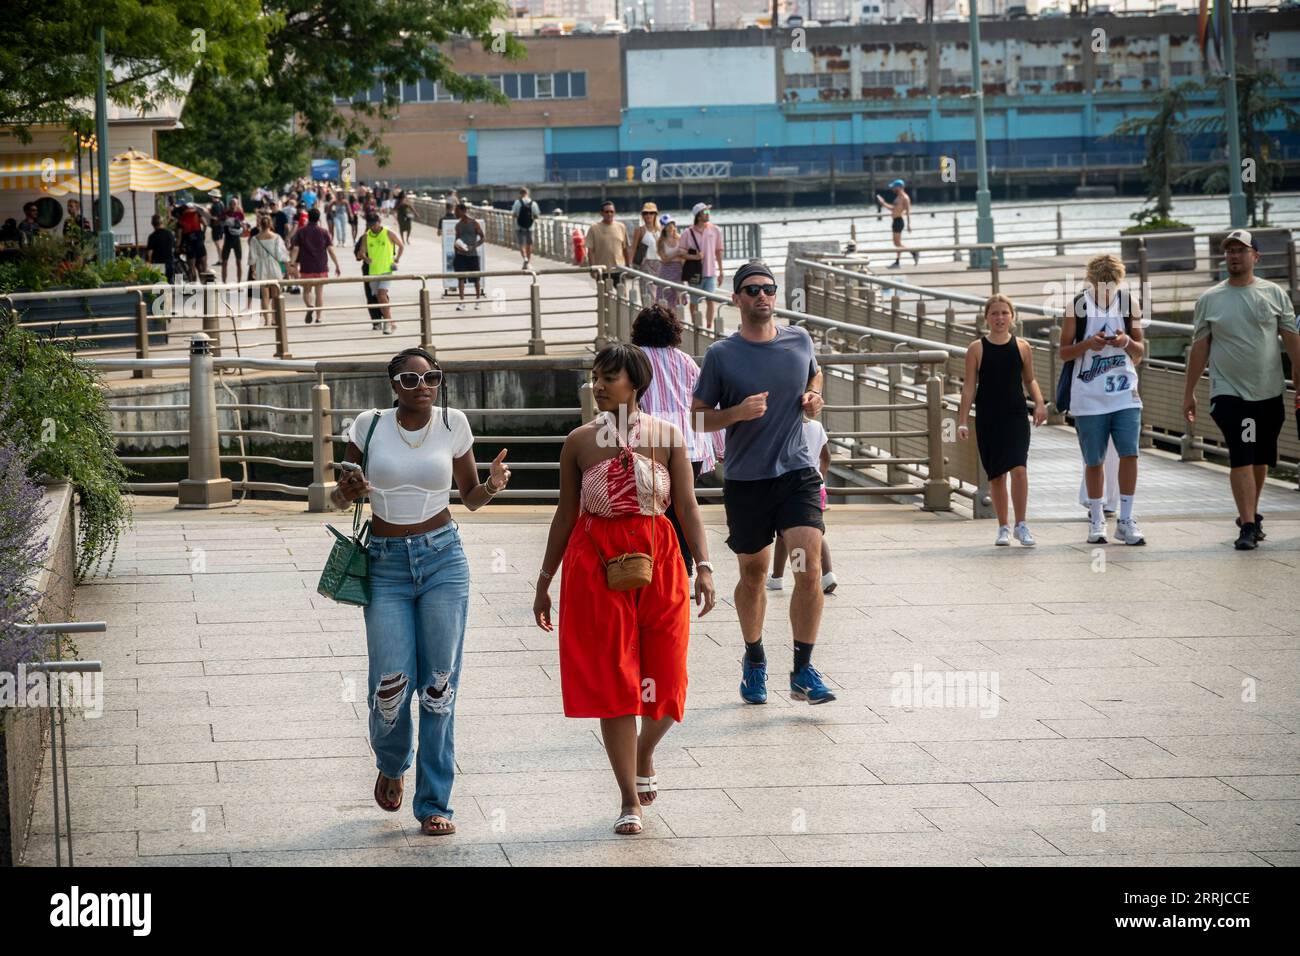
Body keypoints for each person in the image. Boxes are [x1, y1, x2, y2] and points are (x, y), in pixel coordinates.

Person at [533, 343, 716, 836]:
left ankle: (645, 750)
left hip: (660, 558)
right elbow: (565, 514)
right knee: (615, 683)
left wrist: (704, 566)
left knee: (669, 679)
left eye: (608, 378)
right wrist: (544, 580)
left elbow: (688, 507)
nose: (598, 386)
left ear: (635, 384)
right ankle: (628, 798)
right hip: (595, 566)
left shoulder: (668, 435)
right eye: (594, 377)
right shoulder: (579, 441)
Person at [331, 347, 511, 837]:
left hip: (443, 559)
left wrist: (492, 485)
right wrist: (348, 489)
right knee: (389, 682)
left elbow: (471, 498)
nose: (422, 385)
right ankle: (392, 762)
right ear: (393, 385)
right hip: (386, 565)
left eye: (430, 377)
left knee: (438, 686)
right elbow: (339, 488)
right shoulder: (368, 425)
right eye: (410, 379)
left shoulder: (454, 424)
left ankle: (435, 802)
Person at [690, 261, 834, 706]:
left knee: (805, 566)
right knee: (753, 574)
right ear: (736, 299)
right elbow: (697, 416)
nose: (761, 296)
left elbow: (814, 374)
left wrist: (813, 397)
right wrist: (734, 414)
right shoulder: (721, 354)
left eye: (768, 289)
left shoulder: (799, 339)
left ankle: (803, 668)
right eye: (751, 289)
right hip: (747, 480)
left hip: (797, 473)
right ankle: (754, 658)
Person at [1184, 228, 1300, 550]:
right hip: (1230, 392)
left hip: (1269, 390)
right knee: (1242, 454)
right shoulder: (1210, 299)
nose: (1234, 256)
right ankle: (1247, 525)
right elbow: (1200, 348)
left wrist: (1299, 384)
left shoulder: (1274, 294)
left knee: (1260, 457)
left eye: (1241, 250)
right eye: (1229, 251)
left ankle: (1251, 513)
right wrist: (1189, 392)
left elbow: (1292, 341)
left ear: (1255, 256)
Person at [1059, 253, 1146, 546]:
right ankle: (1096, 519)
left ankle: (1126, 518)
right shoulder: (1078, 306)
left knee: (1129, 454)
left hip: (1124, 393)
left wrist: (1125, 342)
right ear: (1091, 281)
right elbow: (1063, 351)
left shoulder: (1128, 303)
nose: (1106, 289)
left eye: (1111, 283)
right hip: (1088, 396)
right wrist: (1087, 344)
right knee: (1093, 460)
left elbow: (1140, 350)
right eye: (1100, 284)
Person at [630, 304, 721, 576]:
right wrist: (718, 444)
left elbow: (627, 399)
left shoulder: (635, 359)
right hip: (689, 442)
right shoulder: (685, 360)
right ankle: (686, 568)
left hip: (650, 442)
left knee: (651, 506)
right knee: (684, 506)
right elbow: (704, 401)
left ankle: (654, 566)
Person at [956, 293, 1048, 547]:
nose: (1000, 318)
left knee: (1019, 468)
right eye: (994, 313)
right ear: (986, 317)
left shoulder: (1022, 347)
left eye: (1004, 313)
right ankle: (1003, 526)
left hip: (1016, 415)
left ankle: (1022, 524)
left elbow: (1029, 379)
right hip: (988, 417)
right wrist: (962, 420)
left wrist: (1039, 403)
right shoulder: (976, 348)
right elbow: (969, 387)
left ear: (1012, 317)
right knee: (996, 476)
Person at [768, 412, 836, 592]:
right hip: (815, 485)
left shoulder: (786, 428)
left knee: (796, 533)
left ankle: (784, 576)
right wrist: (821, 476)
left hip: (792, 487)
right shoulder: (816, 427)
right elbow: (826, 457)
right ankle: (779, 575)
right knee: (804, 531)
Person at [290, 207, 341, 324]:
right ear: (319, 219)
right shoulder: (324, 232)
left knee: (306, 291)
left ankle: (309, 306)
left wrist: (293, 265)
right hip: (320, 266)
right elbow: (330, 250)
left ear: (308, 217)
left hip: (306, 266)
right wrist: (337, 265)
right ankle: (318, 317)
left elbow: (296, 249)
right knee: (319, 293)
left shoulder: (300, 232)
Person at [359, 212, 403, 334]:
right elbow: (361, 252)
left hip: (387, 270)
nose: (373, 227)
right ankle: (391, 322)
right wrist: (365, 258)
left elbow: (401, 246)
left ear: (379, 222)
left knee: (382, 295)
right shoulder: (366, 236)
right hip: (373, 271)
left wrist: (397, 259)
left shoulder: (388, 233)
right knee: (379, 298)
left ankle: (388, 324)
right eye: (371, 225)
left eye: (375, 224)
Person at [681, 203, 725, 327]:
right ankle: (696, 325)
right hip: (695, 273)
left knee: (711, 300)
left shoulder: (715, 229)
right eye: (705, 212)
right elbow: (681, 252)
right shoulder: (687, 232)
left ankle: (709, 326)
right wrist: (694, 257)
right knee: (694, 301)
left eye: (708, 212)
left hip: (711, 272)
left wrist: (721, 272)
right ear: (698, 216)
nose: (708, 214)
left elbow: (719, 251)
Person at [249, 214, 289, 327]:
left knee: (265, 296)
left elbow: (252, 256)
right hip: (274, 265)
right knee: (276, 295)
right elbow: (282, 254)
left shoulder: (255, 239)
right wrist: (287, 267)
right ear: (271, 224)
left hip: (261, 266)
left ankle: (267, 320)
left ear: (260, 225)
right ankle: (275, 319)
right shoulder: (276, 237)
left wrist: (253, 269)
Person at [875, 179, 918, 268]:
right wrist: (883, 203)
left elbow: (908, 211)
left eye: (894, 187)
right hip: (895, 221)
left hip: (899, 221)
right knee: (896, 243)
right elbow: (893, 208)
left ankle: (911, 254)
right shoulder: (898, 197)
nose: (893, 189)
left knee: (897, 243)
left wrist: (909, 224)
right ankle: (903, 258)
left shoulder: (905, 198)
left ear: (899, 187)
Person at [585, 201, 630, 285]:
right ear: (601, 213)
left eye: (611, 211)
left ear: (615, 212)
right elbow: (590, 251)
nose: (609, 214)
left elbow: (625, 249)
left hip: (619, 269)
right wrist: (592, 269)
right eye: (606, 212)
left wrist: (628, 266)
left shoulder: (621, 227)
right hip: (602, 270)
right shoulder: (594, 228)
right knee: (605, 297)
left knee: (622, 296)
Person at [451, 202, 485, 311]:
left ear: (463, 211)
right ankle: (462, 302)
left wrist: (473, 247)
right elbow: (456, 240)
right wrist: (456, 249)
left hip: (472, 255)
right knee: (461, 279)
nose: (455, 213)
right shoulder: (457, 225)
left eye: (457, 211)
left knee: (476, 279)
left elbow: (483, 238)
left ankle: (478, 300)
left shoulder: (474, 223)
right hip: (460, 256)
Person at [630, 202, 662, 303]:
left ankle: (659, 317)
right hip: (646, 264)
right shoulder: (640, 230)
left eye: (651, 213)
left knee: (660, 295)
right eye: (645, 213)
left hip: (660, 264)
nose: (648, 215)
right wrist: (630, 265)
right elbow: (633, 248)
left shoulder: (660, 230)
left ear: (655, 215)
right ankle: (648, 316)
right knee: (648, 295)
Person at [655, 216, 685, 305]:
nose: (671, 226)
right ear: (664, 227)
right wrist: (676, 254)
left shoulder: (680, 238)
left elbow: (684, 255)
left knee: (679, 296)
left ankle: (677, 317)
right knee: (666, 295)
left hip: (678, 270)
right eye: (668, 224)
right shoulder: (661, 241)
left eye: (672, 223)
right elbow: (664, 259)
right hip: (666, 270)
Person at [176, 202, 210, 280]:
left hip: (189, 245)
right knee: (203, 267)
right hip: (199, 242)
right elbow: (205, 224)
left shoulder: (181, 220)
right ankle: (205, 286)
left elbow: (179, 236)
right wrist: (202, 234)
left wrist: (177, 247)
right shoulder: (197, 214)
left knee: (191, 268)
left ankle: (193, 286)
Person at [511, 187, 542, 268]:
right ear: (527, 193)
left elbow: (514, 214)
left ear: (520, 194)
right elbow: (536, 215)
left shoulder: (517, 202)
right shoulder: (533, 203)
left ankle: (524, 258)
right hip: (530, 227)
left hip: (519, 227)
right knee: (529, 244)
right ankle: (528, 261)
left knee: (522, 244)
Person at [219, 197, 246, 284]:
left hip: (236, 240)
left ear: (237, 205)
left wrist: (241, 225)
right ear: (229, 205)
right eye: (231, 204)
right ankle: (224, 283)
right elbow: (219, 222)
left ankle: (239, 282)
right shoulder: (225, 213)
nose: (233, 206)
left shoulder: (240, 214)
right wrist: (224, 220)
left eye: (235, 204)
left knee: (238, 262)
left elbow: (244, 226)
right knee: (224, 262)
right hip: (228, 240)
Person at [144, 214, 177, 284]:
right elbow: (173, 248)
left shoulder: (152, 236)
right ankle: (170, 294)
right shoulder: (170, 234)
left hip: (158, 264)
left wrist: (148, 262)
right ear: (162, 223)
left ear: (152, 224)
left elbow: (150, 252)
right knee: (170, 282)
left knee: (160, 284)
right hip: (170, 262)